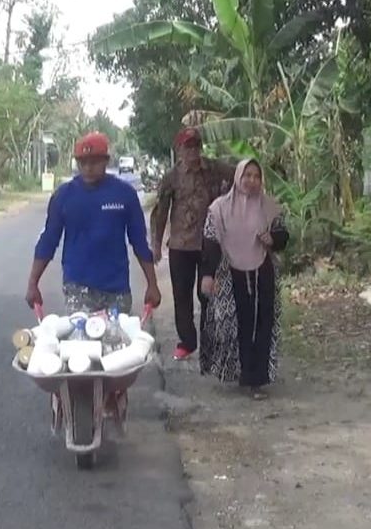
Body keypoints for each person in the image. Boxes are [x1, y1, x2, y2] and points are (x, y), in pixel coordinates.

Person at [27, 131, 162, 315]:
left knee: (116, 334)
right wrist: (33, 283)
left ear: (106, 161)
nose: (88, 168)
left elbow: (139, 242)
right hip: (78, 288)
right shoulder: (63, 196)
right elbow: (48, 241)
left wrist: (152, 284)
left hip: (117, 290)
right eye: (83, 162)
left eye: (94, 162)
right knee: (81, 333)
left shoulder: (124, 194)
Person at [199, 159, 289, 400]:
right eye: (247, 175)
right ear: (238, 177)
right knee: (237, 325)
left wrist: (273, 238)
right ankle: (240, 372)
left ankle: (256, 379)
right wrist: (208, 274)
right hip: (230, 273)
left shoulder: (269, 206)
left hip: (263, 271)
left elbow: (282, 236)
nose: (251, 180)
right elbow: (210, 242)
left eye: (256, 176)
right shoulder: (219, 208)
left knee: (262, 323)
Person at [150, 127, 234, 361]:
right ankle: (187, 341)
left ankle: (210, 343)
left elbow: (241, 176)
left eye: (196, 146)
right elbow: (161, 211)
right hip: (181, 244)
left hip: (210, 242)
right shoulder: (172, 177)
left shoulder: (215, 169)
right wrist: (156, 244)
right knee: (182, 295)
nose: (193, 151)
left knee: (207, 294)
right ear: (179, 149)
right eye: (188, 147)